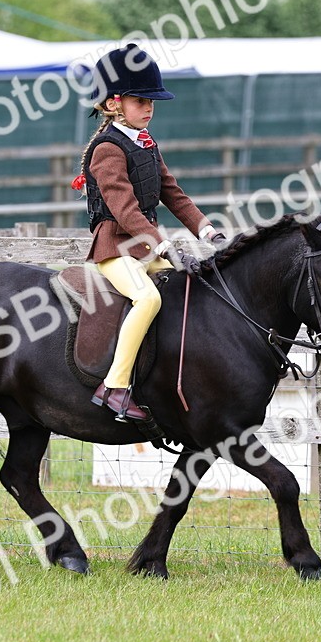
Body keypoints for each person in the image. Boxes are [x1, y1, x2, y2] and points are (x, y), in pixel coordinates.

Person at [79, 43, 225, 422]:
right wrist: (163, 244)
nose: (149, 108)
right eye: (140, 100)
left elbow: (172, 193)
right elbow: (125, 209)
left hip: (143, 246)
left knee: (188, 290)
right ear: (113, 104)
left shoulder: (146, 142)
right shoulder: (106, 149)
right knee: (147, 300)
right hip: (115, 248)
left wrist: (207, 230)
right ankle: (114, 385)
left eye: (151, 101)